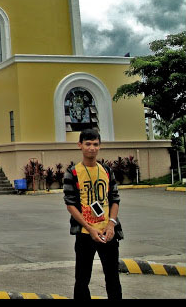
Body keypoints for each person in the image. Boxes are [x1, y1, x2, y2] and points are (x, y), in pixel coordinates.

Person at [63, 128, 123, 299]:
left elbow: (115, 199)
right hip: (85, 234)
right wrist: (89, 228)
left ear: (99, 146)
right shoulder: (72, 172)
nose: (92, 148)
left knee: (113, 278)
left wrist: (111, 224)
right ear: (80, 145)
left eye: (95, 144)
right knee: (82, 280)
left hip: (108, 233)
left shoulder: (106, 171)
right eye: (88, 144)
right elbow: (70, 204)